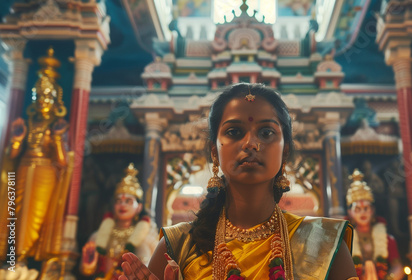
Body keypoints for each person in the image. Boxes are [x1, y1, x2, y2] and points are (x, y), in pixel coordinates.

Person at [119, 83, 358, 280]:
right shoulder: (177, 247)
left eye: (266, 133)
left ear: (284, 152)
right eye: (234, 132)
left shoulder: (325, 244)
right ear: (214, 151)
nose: (250, 143)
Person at [1, 48, 73, 264]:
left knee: (35, 217)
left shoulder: (57, 126)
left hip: (45, 173)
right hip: (22, 169)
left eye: (47, 97)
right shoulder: (27, 122)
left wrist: (59, 138)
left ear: (55, 100)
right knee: (14, 211)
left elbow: (62, 162)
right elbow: (12, 155)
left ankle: (23, 257)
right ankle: (10, 258)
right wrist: (16, 139)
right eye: (38, 96)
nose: (42, 100)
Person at [80, 163, 157, 279]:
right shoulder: (97, 236)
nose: (122, 205)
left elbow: (153, 271)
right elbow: (86, 271)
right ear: (113, 206)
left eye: (128, 201)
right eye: (118, 201)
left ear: (139, 207)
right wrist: (88, 264)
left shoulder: (147, 237)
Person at [346, 169, 403, 280]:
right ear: (350, 213)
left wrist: (389, 278)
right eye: (357, 209)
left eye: (366, 208)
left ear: (372, 210)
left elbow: (398, 266)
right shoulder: (345, 240)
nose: (362, 212)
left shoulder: (387, 239)